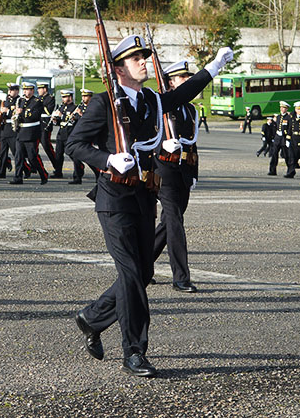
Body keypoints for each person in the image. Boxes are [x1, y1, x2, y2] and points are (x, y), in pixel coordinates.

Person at [67, 34, 232, 377]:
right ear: (118, 69)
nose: (144, 61)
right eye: (136, 58)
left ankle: (93, 317)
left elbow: (181, 94)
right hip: (113, 198)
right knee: (129, 273)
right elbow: (74, 144)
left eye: (145, 56)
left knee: (142, 274)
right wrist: (108, 158)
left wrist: (214, 67)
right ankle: (134, 352)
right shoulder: (104, 103)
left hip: (144, 196)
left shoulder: (151, 101)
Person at [152, 60, 203, 294]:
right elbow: (143, 138)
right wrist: (162, 146)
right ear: (171, 82)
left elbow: (192, 145)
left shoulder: (191, 110)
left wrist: (193, 174)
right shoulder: (159, 105)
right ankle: (181, 277)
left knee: (168, 224)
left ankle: (142, 266)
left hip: (182, 171)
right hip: (163, 171)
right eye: (184, 78)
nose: (189, 82)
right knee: (175, 222)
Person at [11, 82, 48, 185]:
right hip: (21, 132)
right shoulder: (21, 100)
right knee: (18, 157)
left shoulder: (37, 102)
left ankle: (43, 174)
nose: (26, 92)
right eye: (24, 90)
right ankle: (18, 177)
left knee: (33, 157)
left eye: (28, 90)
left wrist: (21, 112)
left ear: (32, 91)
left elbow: (34, 116)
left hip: (31, 133)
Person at [0, 83, 21, 179]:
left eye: (12, 90)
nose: (10, 91)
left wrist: (7, 111)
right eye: (9, 90)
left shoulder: (19, 100)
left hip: (13, 128)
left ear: (17, 91)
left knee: (15, 152)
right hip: (4, 127)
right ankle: (1, 171)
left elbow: (17, 114)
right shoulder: (6, 100)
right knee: (2, 151)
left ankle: (25, 169)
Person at [51, 90, 77, 181]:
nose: (63, 99)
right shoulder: (62, 107)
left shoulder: (74, 108)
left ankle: (78, 169)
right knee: (58, 154)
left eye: (65, 97)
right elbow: (59, 122)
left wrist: (61, 116)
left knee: (71, 153)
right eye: (62, 97)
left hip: (69, 133)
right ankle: (58, 172)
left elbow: (74, 121)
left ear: (70, 97)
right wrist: (55, 119)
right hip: (61, 133)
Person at [36, 82, 61, 176]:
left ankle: (57, 166)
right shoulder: (38, 99)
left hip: (45, 125)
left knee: (47, 146)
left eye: (40, 89)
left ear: (45, 89)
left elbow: (48, 111)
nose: (38, 90)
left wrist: (39, 105)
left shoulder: (50, 98)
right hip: (37, 125)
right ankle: (35, 167)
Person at [267, 101, 291, 176]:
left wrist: (287, 137)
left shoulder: (288, 118)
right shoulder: (278, 117)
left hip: (284, 138)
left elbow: (290, 128)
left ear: (286, 109)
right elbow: (275, 127)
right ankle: (272, 170)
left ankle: (290, 171)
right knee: (274, 154)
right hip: (277, 138)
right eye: (281, 108)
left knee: (286, 155)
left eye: (284, 108)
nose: (282, 109)